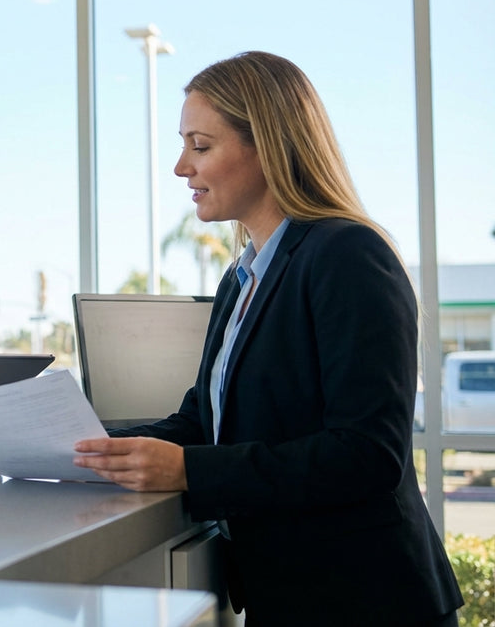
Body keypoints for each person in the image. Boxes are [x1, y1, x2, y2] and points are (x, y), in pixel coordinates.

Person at [73, 51, 463, 627]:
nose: (182, 167)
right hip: (289, 597)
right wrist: (66, 444)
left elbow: (367, 454)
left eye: (200, 146)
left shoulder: (348, 255)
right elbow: (198, 424)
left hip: (369, 601)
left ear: (269, 147)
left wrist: (191, 471)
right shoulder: (241, 277)